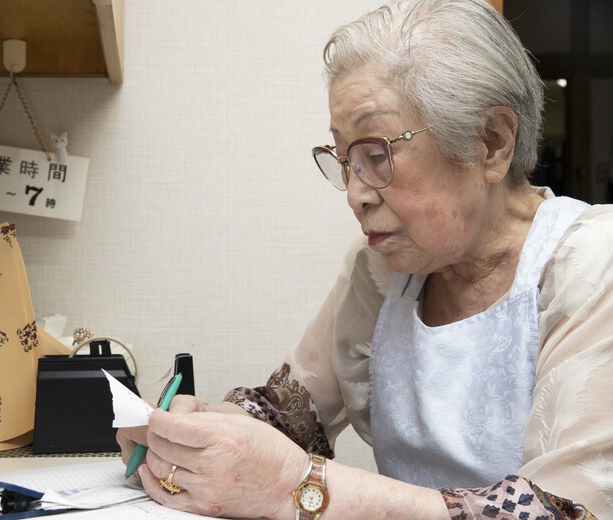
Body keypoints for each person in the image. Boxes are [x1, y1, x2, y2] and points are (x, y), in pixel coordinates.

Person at [117, 0, 613, 518]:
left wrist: (296, 487)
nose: (355, 194)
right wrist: (191, 430)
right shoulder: (381, 269)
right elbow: (288, 413)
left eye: (376, 156)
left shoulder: (591, 262)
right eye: (344, 159)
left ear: (491, 142)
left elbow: (565, 509)